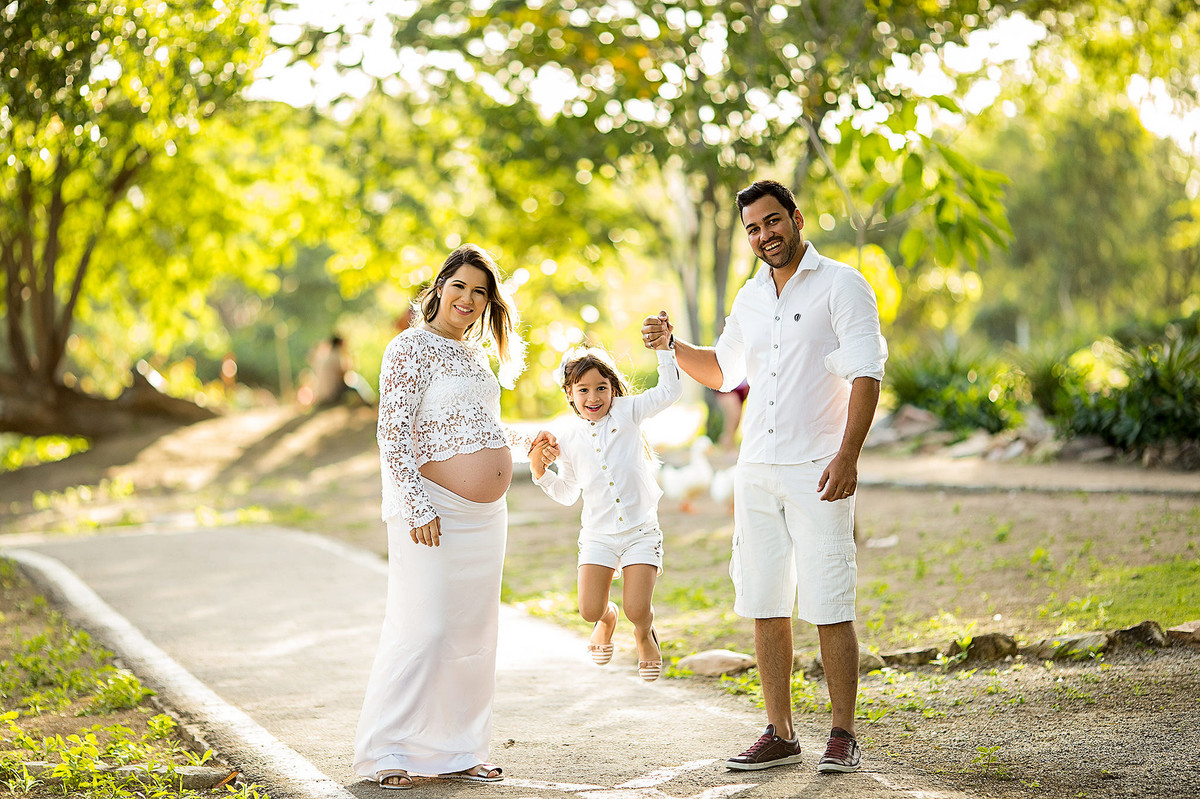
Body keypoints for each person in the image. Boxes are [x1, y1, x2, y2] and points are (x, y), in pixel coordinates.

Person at [641, 179, 887, 774]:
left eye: (772, 221)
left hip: (817, 467)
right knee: (764, 600)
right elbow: (724, 371)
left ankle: (842, 733)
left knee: (830, 599)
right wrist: (674, 346)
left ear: (796, 217)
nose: (763, 235)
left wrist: (848, 455)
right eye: (753, 228)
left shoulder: (842, 285)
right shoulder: (750, 297)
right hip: (756, 470)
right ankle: (779, 732)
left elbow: (866, 373)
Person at [353, 244, 546, 790]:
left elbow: (475, 430)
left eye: (480, 291)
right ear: (440, 286)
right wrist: (414, 502)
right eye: (460, 285)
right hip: (433, 510)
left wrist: (526, 438)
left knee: (473, 633)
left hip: (487, 519)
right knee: (426, 627)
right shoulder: (409, 347)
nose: (468, 298)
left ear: (489, 303)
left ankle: (459, 750)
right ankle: (385, 750)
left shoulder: (477, 357)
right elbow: (393, 431)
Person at [528, 332, 681, 682]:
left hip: (640, 531)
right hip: (597, 535)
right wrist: (541, 474)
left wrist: (663, 352)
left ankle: (644, 633)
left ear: (613, 387)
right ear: (569, 394)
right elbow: (568, 493)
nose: (593, 397)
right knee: (588, 610)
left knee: (638, 608)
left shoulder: (628, 413)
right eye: (583, 389)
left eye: (601, 387)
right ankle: (606, 619)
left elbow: (670, 392)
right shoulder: (564, 437)